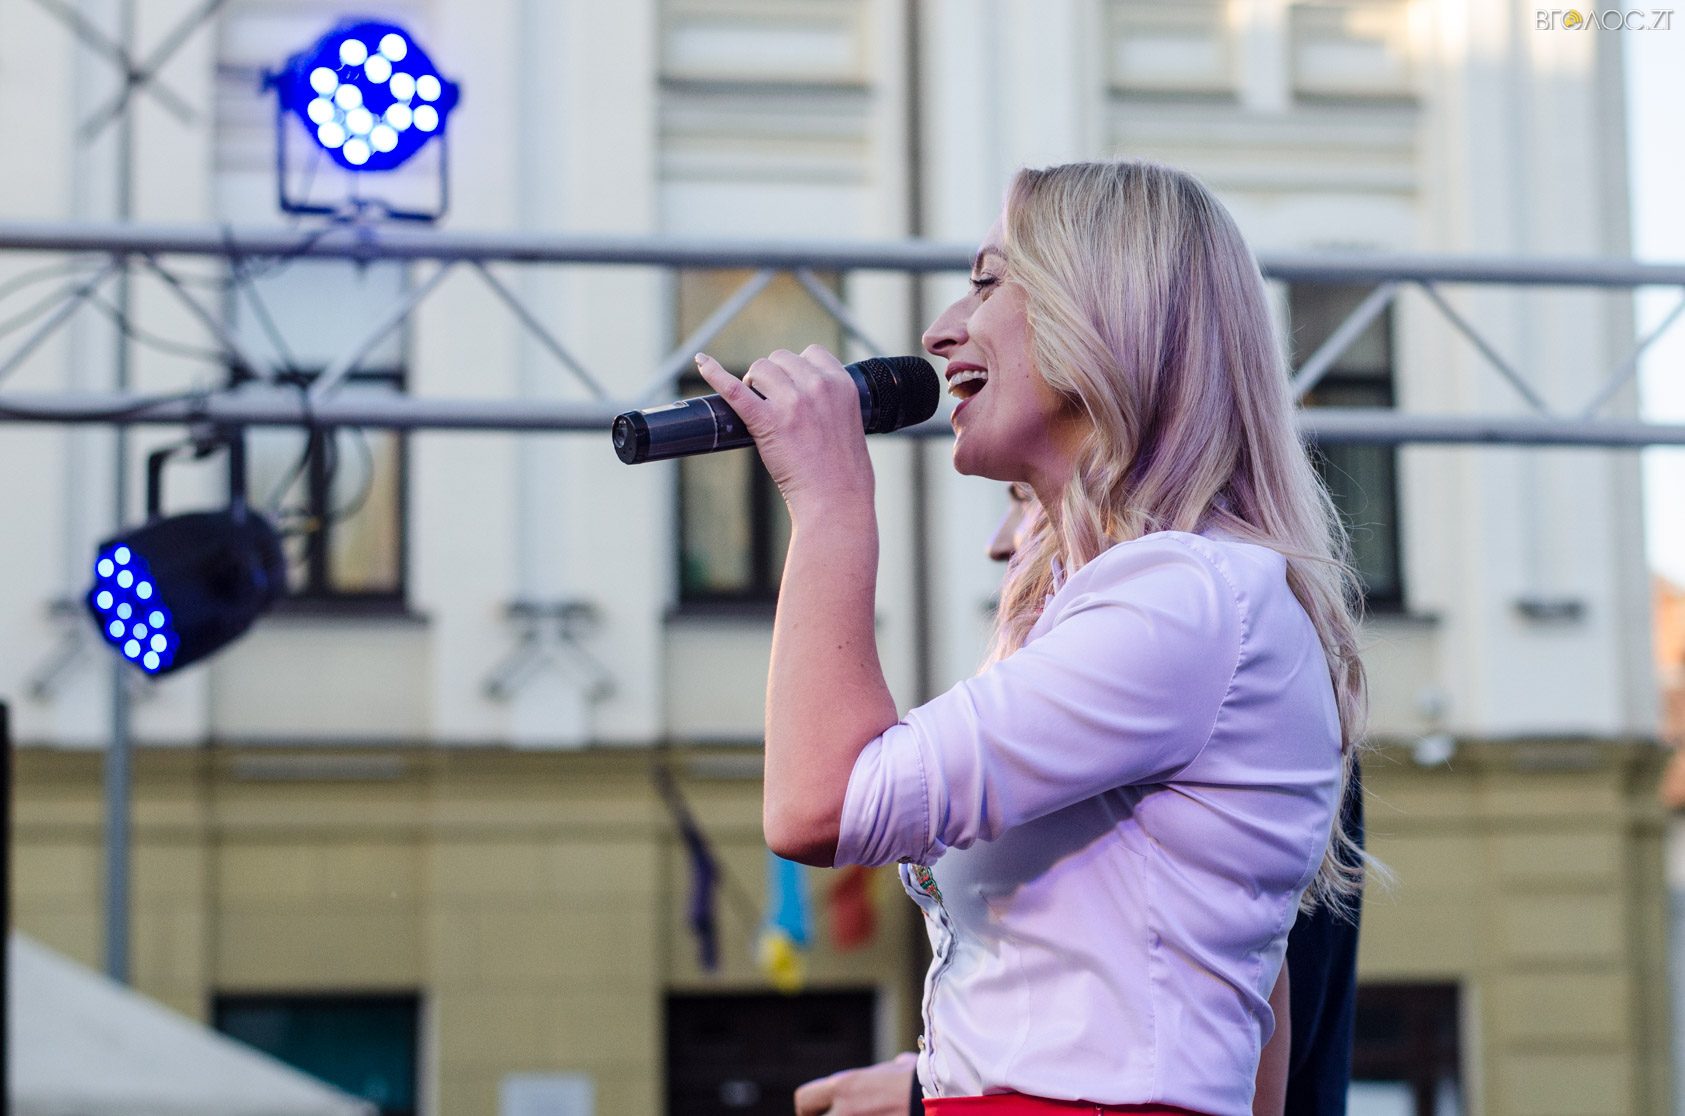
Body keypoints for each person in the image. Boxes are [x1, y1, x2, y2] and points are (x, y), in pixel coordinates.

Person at [696, 159, 1367, 1115]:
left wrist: (830, 500)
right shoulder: (1169, 599)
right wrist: (931, 1088)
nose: (940, 332)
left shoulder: (1186, 598)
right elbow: (1254, 1005)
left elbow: (821, 806)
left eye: (986, 282)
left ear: (1104, 309)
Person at [791, 488, 1366, 1116]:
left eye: (1025, 498)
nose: (1000, 542)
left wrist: (829, 499)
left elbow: (828, 806)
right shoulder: (1175, 650)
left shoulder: (1195, 625)